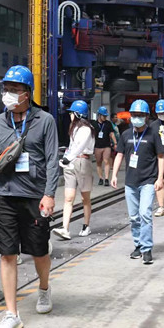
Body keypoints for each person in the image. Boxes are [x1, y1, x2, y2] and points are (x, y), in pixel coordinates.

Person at [0, 65, 59, 328]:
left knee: (39, 251)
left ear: (27, 93)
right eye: (6, 89)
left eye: (14, 89)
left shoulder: (45, 120)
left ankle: (44, 288)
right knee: (7, 253)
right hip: (4, 195)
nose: (8, 94)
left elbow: (52, 160)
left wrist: (49, 194)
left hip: (34, 197)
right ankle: (11, 314)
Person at [111, 100, 164, 265]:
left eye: (140, 115)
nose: (137, 118)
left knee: (145, 214)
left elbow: (160, 157)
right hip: (130, 182)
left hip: (148, 181)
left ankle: (147, 249)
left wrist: (159, 178)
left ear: (146, 117)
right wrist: (114, 175)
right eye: (134, 115)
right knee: (134, 217)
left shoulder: (153, 134)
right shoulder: (126, 135)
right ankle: (138, 245)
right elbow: (119, 155)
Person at [54, 100, 95, 240]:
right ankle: (65, 228)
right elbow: (73, 146)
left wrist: (68, 158)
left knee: (85, 197)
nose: (70, 115)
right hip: (71, 163)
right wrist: (66, 154)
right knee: (68, 197)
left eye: (72, 113)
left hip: (82, 162)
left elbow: (80, 146)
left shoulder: (86, 129)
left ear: (77, 114)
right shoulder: (75, 127)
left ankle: (86, 225)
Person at [93, 106, 117, 186]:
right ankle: (100, 178)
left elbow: (111, 134)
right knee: (99, 162)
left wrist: (115, 143)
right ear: (99, 115)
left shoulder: (108, 124)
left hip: (106, 145)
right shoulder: (94, 124)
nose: (105, 117)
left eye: (106, 116)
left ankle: (106, 178)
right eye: (103, 116)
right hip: (97, 146)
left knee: (106, 161)